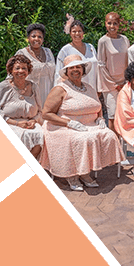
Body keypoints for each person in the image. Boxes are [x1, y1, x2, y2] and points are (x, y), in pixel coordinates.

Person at [40, 54, 124, 191]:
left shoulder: (89, 88)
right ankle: (72, 175)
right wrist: (68, 123)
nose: (75, 70)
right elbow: (46, 114)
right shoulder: (60, 89)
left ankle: (85, 172)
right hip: (62, 126)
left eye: (78, 67)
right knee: (84, 139)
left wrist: (100, 118)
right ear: (66, 72)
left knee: (108, 134)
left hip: (90, 125)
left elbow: (97, 107)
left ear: (83, 70)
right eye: (71, 68)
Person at [0, 54, 43, 160]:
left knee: (43, 136)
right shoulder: (3, 87)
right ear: (11, 71)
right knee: (18, 136)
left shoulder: (34, 87)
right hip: (9, 123)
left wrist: (34, 121)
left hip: (30, 123)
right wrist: (17, 123)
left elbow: (40, 111)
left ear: (28, 71)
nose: (21, 71)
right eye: (17, 68)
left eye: (24, 68)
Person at [97, 12, 130, 130]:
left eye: (115, 23)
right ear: (105, 24)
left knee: (124, 115)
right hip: (110, 85)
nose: (112, 26)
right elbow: (101, 65)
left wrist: (126, 81)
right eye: (109, 23)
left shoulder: (125, 39)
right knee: (112, 116)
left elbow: (129, 61)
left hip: (125, 83)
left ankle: (123, 146)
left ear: (119, 24)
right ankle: (113, 146)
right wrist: (114, 85)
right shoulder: (103, 41)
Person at [16, 23, 57, 106]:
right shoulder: (22, 53)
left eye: (40, 37)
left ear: (43, 39)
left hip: (48, 94)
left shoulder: (48, 52)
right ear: (28, 38)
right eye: (33, 36)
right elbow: (14, 74)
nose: (36, 39)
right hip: (30, 95)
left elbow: (55, 73)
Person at [56, 15, 99, 92]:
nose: (77, 34)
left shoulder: (91, 47)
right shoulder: (65, 50)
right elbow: (58, 74)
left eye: (79, 31)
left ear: (83, 33)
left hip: (93, 89)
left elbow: (98, 69)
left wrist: (99, 89)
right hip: (74, 90)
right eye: (74, 31)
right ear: (70, 33)